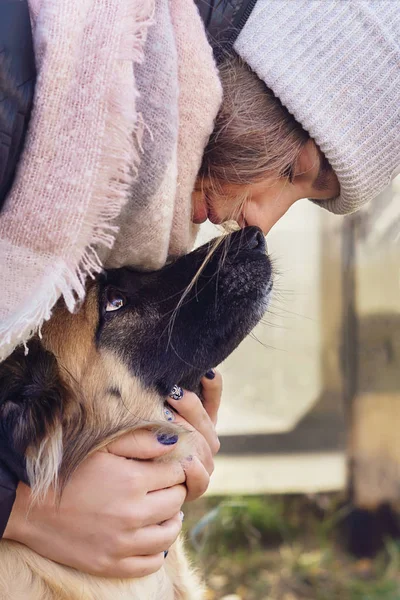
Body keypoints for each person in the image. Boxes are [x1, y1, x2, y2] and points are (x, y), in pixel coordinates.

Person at [0, 0, 399, 580]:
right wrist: (24, 508)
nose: (260, 221)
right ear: (266, 77)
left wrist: (151, 466)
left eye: (305, 197)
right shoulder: (20, 86)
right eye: (291, 170)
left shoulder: (117, 142)